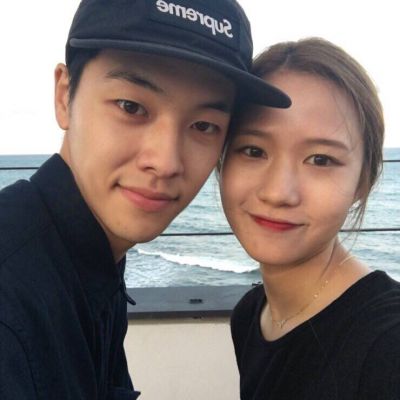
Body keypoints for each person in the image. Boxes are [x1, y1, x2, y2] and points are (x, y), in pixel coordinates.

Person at [0, 1, 291, 399]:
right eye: (131, 107)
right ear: (65, 96)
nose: (166, 162)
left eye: (204, 125)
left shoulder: (93, 259)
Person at [219, 37, 400, 399]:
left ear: (363, 181)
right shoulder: (250, 315)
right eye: (253, 150)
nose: (278, 192)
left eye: (320, 159)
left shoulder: (387, 345)